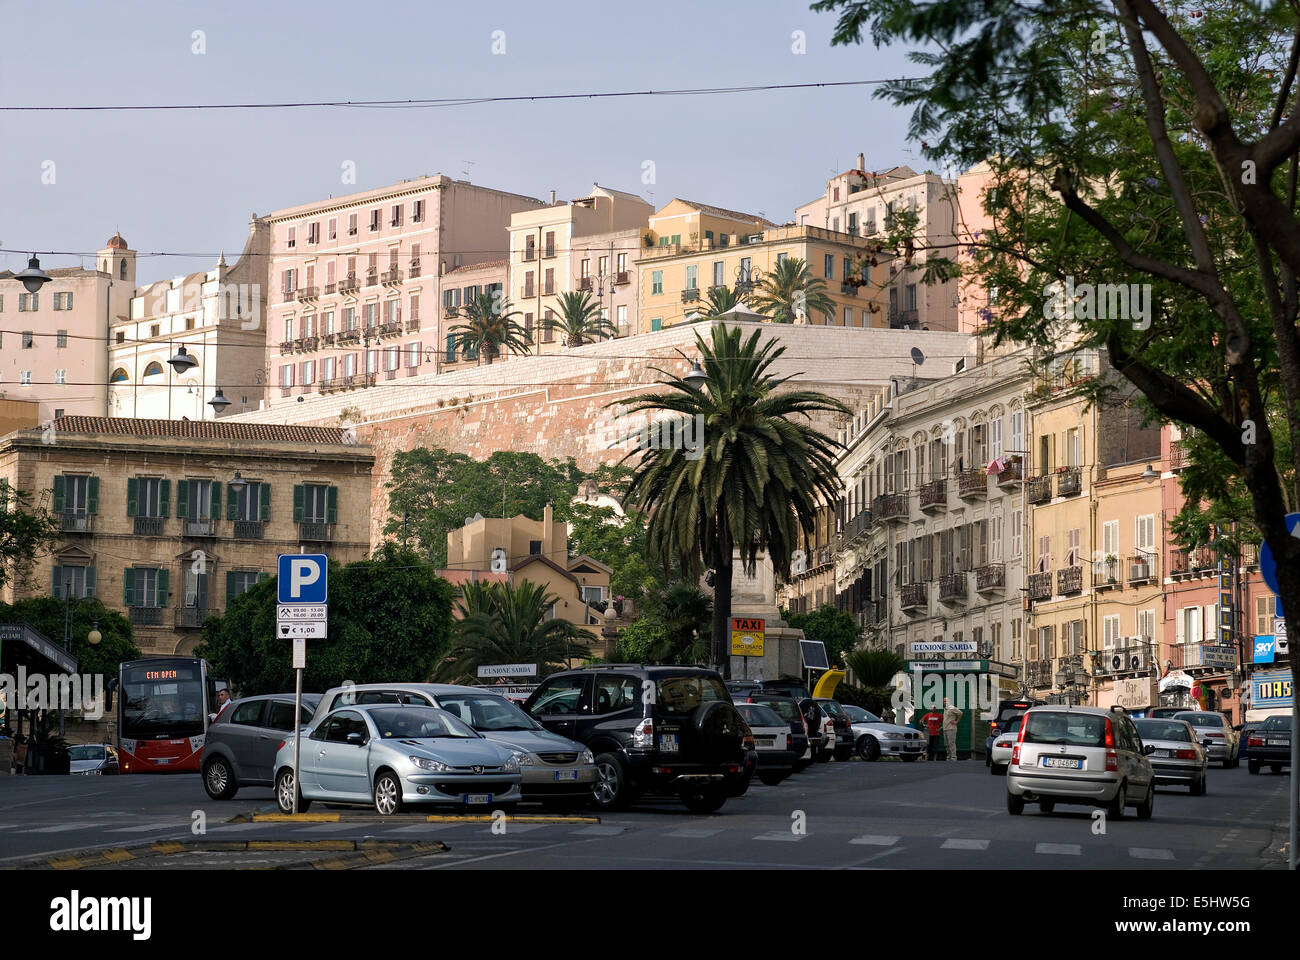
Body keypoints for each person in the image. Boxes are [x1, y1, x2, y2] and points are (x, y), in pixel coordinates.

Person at [943, 697, 963, 761]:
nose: (945, 702)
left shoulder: (952, 708)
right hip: (945, 728)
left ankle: (953, 757)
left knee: (951, 743)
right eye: (944, 701)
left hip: (951, 728)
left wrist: (956, 721)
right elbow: (946, 719)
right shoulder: (945, 709)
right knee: (946, 744)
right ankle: (949, 756)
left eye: (946, 701)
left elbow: (960, 713)